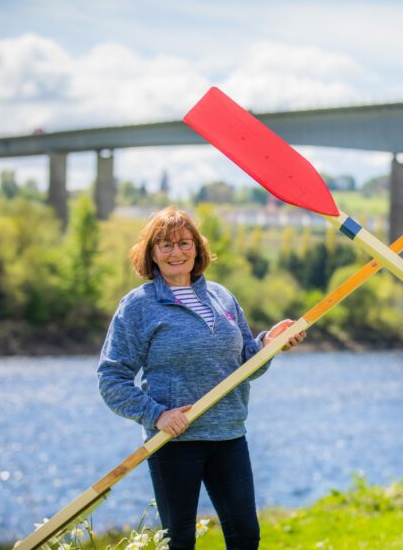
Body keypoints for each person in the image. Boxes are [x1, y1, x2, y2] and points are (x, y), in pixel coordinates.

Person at [97, 206, 305, 550]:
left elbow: (245, 368)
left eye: (184, 243)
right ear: (151, 253)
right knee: (179, 541)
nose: (176, 252)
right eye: (165, 245)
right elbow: (111, 379)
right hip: (174, 442)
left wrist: (269, 343)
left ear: (198, 248)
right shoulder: (138, 306)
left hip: (229, 436)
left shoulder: (222, 297)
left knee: (245, 536)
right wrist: (157, 415)